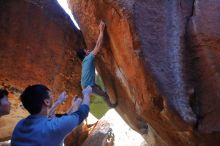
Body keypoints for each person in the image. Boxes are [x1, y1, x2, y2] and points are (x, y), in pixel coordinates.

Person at [11, 84, 92, 146]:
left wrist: (60, 101)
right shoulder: (53, 127)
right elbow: (83, 112)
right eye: (51, 95)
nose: (53, 96)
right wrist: (87, 94)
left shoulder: (20, 125)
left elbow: (55, 117)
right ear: (46, 102)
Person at [76, 21, 117, 107]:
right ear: (85, 54)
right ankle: (111, 105)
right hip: (88, 87)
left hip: (85, 85)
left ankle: (97, 89)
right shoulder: (88, 58)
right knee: (104, 94)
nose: (88, 50)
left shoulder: (84, 62)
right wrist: (101, 31)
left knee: (98, 87)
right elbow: (98, 45)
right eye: (86, 50)